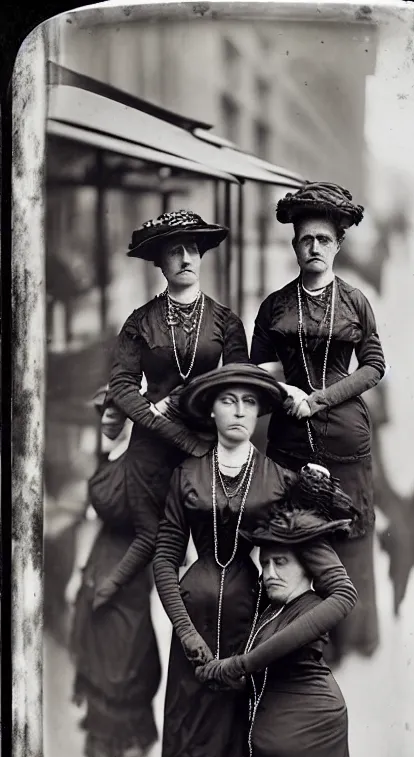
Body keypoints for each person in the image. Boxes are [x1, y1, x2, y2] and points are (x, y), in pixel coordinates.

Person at [153, 363, 297, 757]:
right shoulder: (186, 475)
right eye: (228, 400)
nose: (239, 411)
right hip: (193, 613)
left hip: (252, 619)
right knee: (198, 724)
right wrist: (186, 633)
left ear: (260, 414)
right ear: (210, 410)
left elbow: (308, 555)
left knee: (240, 725)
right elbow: (165, 557)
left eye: (250, 403)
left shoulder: (280, 478)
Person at [196, 465, 359, 757]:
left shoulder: (311, 608)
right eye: (265, 562)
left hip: (310, 722)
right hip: (282, 723)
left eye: (280, 562)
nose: (269, 571)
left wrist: (239, 666)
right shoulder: (276, 608)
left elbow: (343, 594)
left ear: (309, 568)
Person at [250, 182, 386, 663]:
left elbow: (373, 366)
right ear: (294, 244)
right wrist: (282, 390)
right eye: (306, 239)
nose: (314, 247)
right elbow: (259, 371)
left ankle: (349, 643)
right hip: (288, 437)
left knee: (347, 542)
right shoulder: (274, 307)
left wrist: (321, 399)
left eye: (324, 240)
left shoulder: (356, 302)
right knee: (292, 538)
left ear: (338, 245)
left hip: (347, 435)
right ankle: (298, 644)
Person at [93, 210, 249, 610]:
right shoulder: (139, 321)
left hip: (203, 444)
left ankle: (211, 635)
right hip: (150, 449)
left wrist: (185, 405)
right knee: (156, 540)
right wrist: (153, 416)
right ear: (160, 262)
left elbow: (237, 385)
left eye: (192, 249)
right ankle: (114, 598)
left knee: (214, 548)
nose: (185, 258)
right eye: (175, 251)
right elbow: (123, 386)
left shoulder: (225, 322)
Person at [65, 386, 161, 757]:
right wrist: (79, 572)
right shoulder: (106, 458)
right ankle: (100, 727)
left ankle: (124, 738)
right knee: (97, 641)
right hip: (101, 555)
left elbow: (152, 533)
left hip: (130, 566)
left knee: (125, 650)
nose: (108, 419)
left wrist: (116, 579)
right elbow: (91, 519)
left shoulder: (142, 465)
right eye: (105, 412)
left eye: (118, 413)